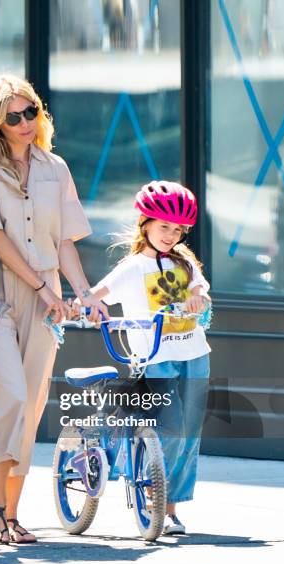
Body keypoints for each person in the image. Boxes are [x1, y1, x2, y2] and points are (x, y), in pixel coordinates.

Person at [0, 74, 107, 544]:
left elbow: (63, 241)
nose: (24, 122)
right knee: (10, 399)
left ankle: (10, 513)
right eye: (13, 116)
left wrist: (82, 292)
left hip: (48, 300)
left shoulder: (55, 168)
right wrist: (44, 288)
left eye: (31, 112)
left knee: (32, 402)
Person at [88, 180, 211, 535]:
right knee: (168, 427)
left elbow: (199, 286)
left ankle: (168, 509)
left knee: (188, 432)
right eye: (164, 227)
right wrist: (89, 306)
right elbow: (98, 294)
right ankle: (158, 501)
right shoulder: (132, 268)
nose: (171, 235)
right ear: (145, 223)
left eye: (178, 229)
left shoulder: (183, 262)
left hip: (194, 352)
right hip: (154, 357)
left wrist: (197, 296)